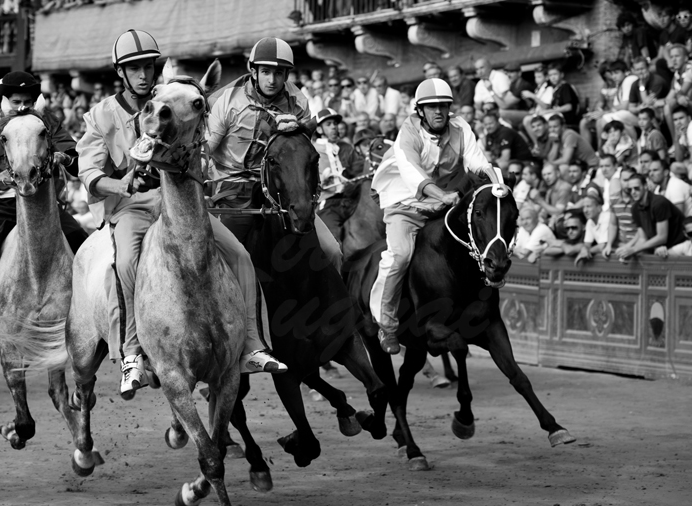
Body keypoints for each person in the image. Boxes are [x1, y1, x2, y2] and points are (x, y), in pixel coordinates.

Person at [79, 31, 285, 397]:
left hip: (180, 205)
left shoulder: (169, 99)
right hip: (132, 210)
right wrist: (122, 184)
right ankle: (131, 355)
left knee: (239, 254)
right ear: (121, 73)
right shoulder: (101, 115)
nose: (144, 75)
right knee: (125, 262)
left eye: (148, 67)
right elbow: (90, 173)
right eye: (134, 68)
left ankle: (252, 344)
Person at [369, 77, 498, 353]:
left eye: (443, 106)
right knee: (400, 255)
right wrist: (442, 196)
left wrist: (493, 179)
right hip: (405, 205)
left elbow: (475, 158)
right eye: (431, 107)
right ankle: (387, 327)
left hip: (443, 205)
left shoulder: (460, 126)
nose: (439, 111)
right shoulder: (407, 133)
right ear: (420, 111)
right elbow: (412, 174)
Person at [0, 71, 81, 359]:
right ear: (2, 99)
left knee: (79, 238)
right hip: (2, 201)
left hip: (43, 203)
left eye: (28, 101)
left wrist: (67, 157)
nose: (23, 107)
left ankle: (86, 313)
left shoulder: (46, 121)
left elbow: (75, 157)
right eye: (16, 101)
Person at [206, 36, 341, 263]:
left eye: (279, 73)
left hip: (281, 187)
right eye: (266, 72)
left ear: (286, 75)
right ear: (254, 71)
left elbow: (303, 152)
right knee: (231, 258)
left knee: (332, 252)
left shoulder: (298, 102)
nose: (272, 80)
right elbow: (206, 150)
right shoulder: (228, 102)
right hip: (232, 188)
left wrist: (295, 131)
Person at [315, 107, 363, 247]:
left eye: (335, 124)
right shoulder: (311, 150)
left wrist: (355, 184)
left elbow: (359, 170)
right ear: (319, 130)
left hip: (352, 199)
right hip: (328, 203)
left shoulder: (346, 147)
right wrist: (319, 182)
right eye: (328, 124)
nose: (334, 127)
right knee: (332, 244)